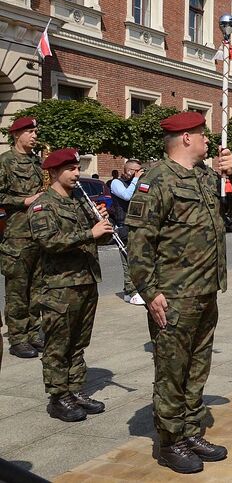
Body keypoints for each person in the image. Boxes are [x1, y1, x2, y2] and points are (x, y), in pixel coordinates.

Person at [125, 111, 232, 474]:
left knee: (197, 366)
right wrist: (149, 292)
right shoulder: (157, 179)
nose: (208, 141)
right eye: (202, 134)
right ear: (185, 138)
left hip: (204, 290)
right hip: (174, 295)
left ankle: (190, 429)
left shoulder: (206, 176)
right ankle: (170, 441)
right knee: (171, 370)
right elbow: (140, 241)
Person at [29, 148, 113, 422]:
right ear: (53, 172)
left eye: (77, 168)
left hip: (86, 281)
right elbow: (49, 242)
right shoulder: (44, 205)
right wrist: (90, 232)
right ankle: (57, 396)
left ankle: (74, 390)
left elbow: (98, 239)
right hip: (60, 286)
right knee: (58, 343)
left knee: (78, 341)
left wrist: (102, 225)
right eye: (70, 168)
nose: (77, 173)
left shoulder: (79, 201)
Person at [0, 116, 45, 360]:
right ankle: (18, 338)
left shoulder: (37, 162)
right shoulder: (5, 162)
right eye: (30, 131)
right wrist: (23, 201)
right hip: (17, 235)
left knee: (37, 287)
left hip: (38, 232)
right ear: (17, 135)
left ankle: (34, 331)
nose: (34, 135)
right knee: (17, 289)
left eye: (35, 132)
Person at [109, 158, 144, 304]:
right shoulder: (116, 182)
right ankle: (130, 290)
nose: (139, 174)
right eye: (136, 171)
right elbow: (126, 196)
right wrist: (136, 180)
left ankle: (133, 290)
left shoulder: (137, 182)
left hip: (137, 225)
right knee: (127, 260)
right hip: (123, 226)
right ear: (129, 171)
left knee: (139, 261)